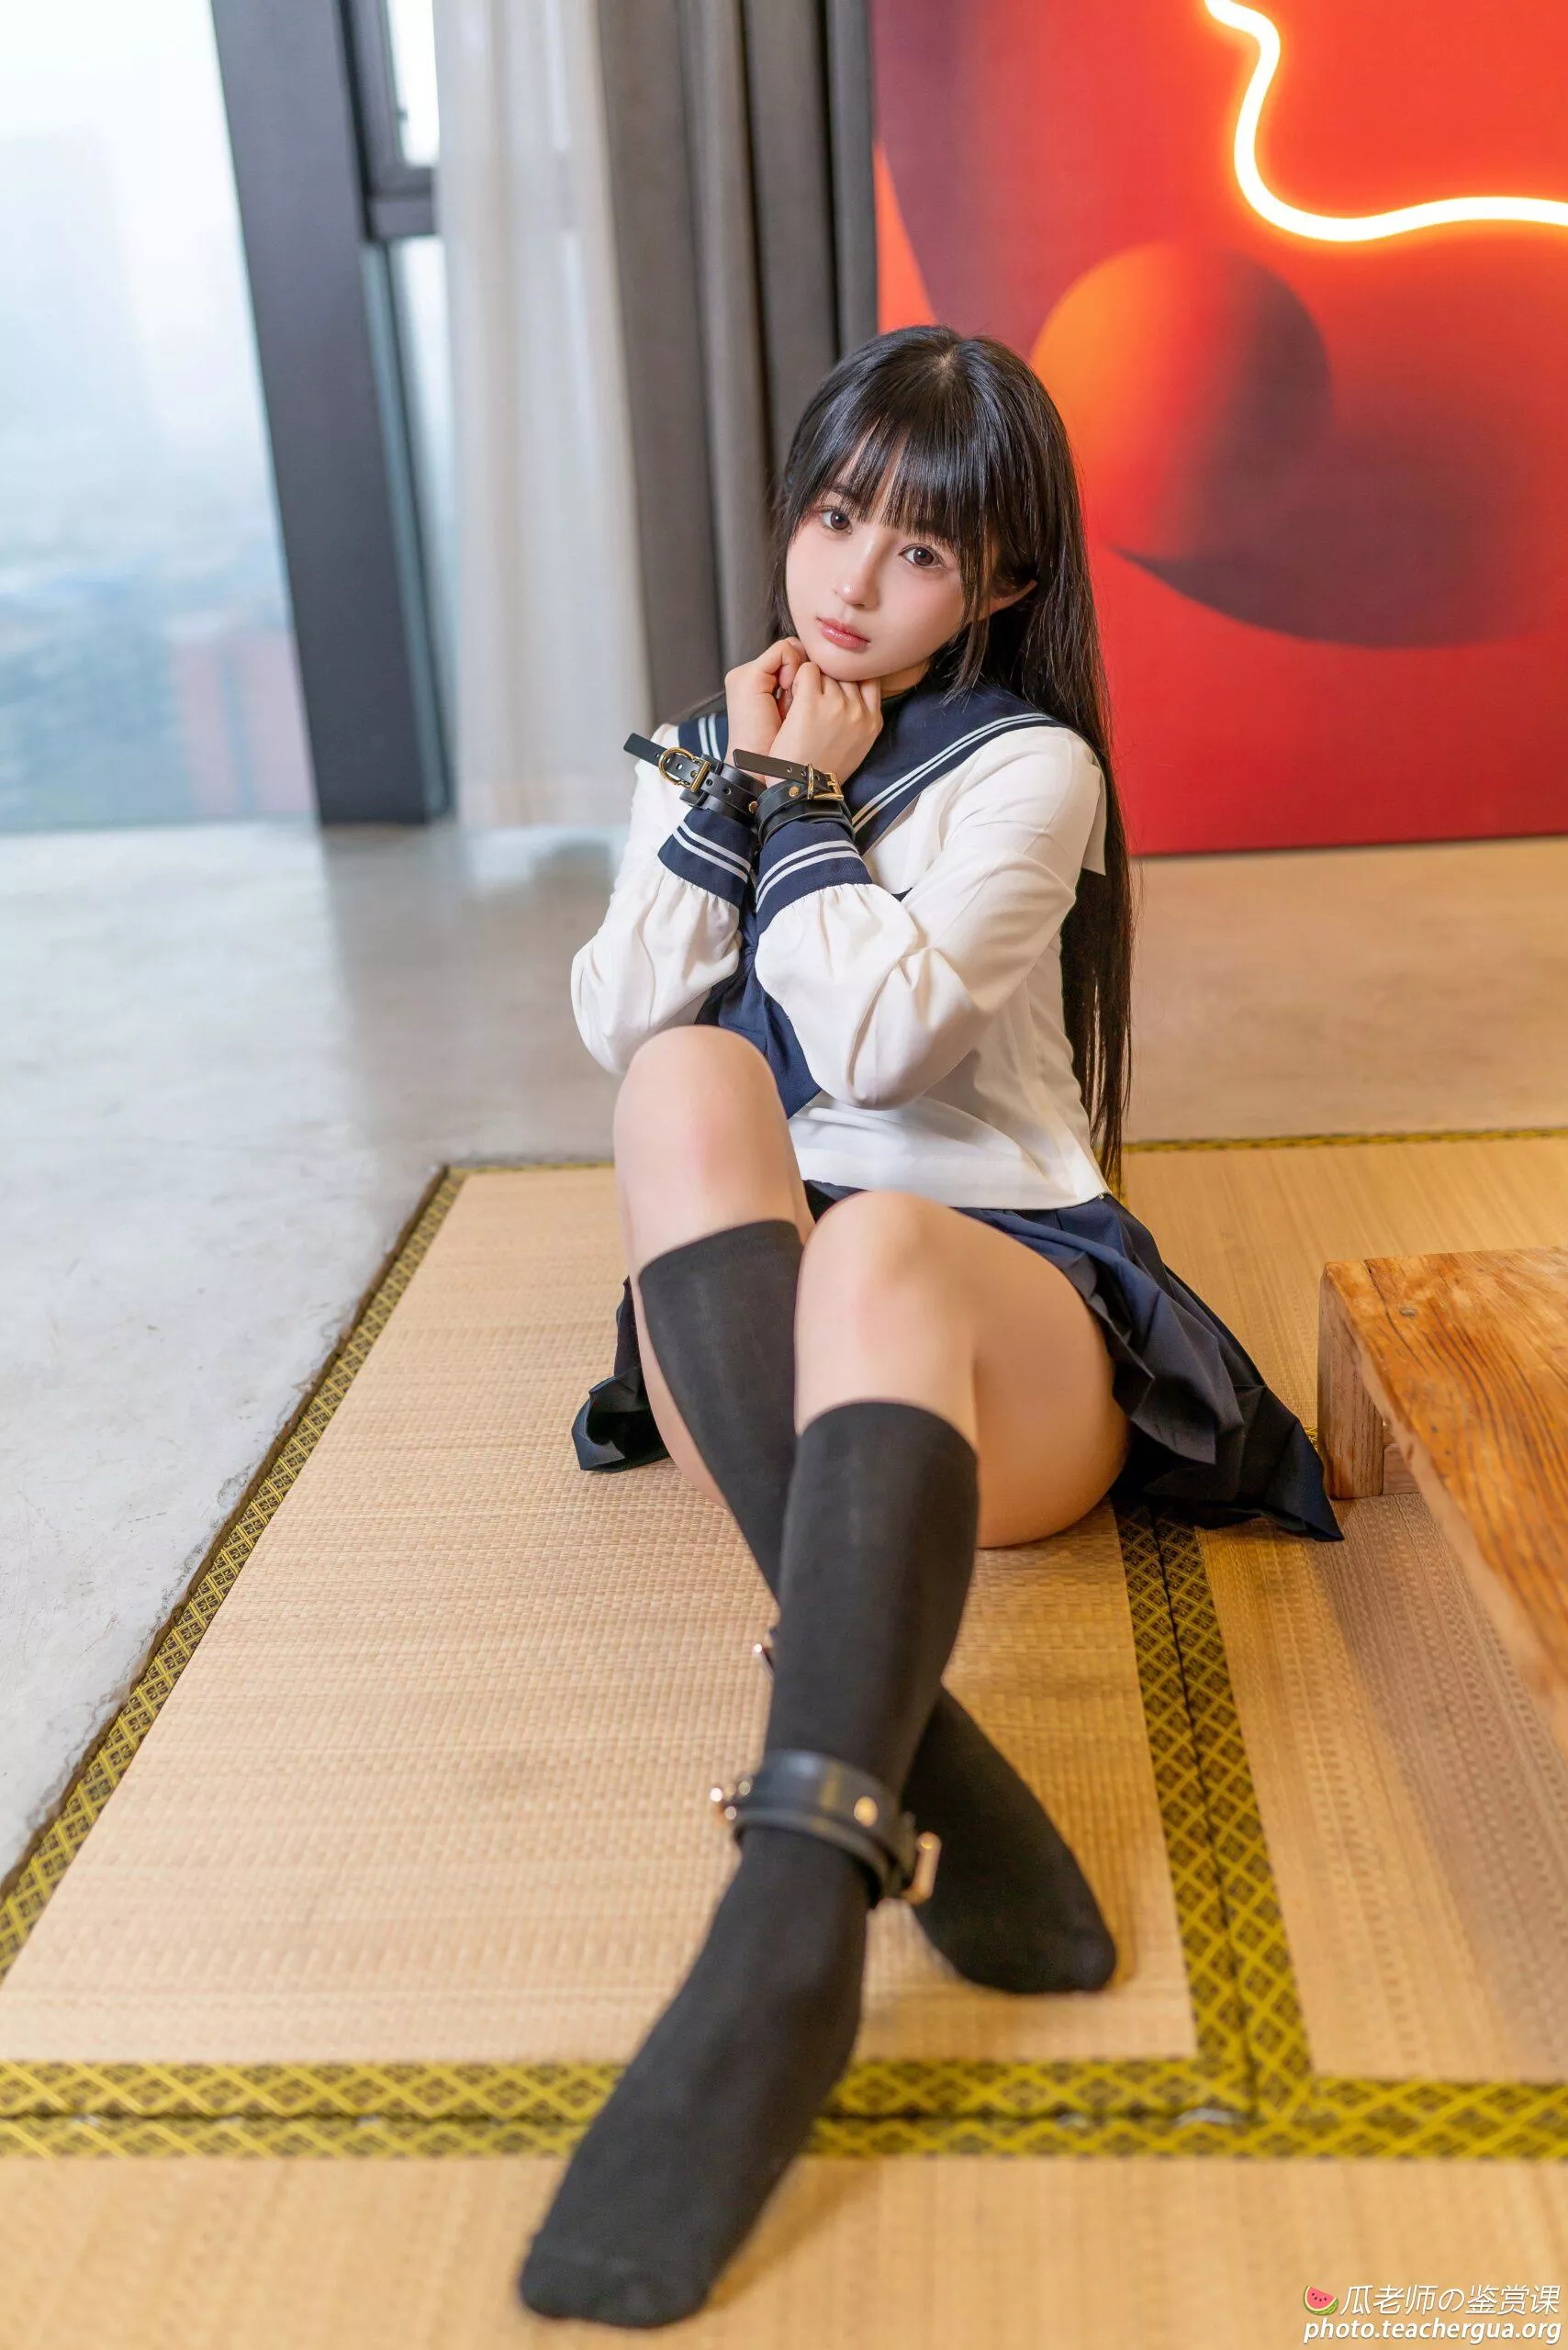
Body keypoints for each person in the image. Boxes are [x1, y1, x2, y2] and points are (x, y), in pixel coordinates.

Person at [520, 325, 1339, 2328]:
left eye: (917, 551)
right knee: (681, 1085)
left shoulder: (1029, 771)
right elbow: (621, 1018)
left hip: (993, 1337)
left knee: (876, 1231)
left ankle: (789, 1909)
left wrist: (802, 804)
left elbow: (883, 1039)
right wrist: (735, 787)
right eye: (834, 519)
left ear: (1000, 583)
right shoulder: (709, 742)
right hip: (767, 1347)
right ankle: (936, 1787)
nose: (852, 580)